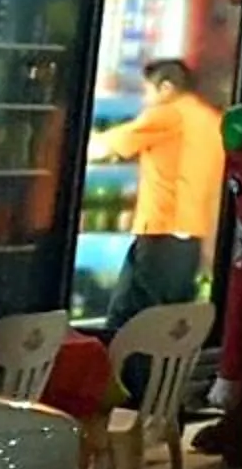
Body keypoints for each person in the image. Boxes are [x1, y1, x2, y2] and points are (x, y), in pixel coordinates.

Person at [94, 59, 225, 331]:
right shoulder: (212, 120)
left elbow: (110, 145)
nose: (145, 100)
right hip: (191, 235)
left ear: (166, 87)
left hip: (162, 229)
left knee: (134, 320)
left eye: (147, 91)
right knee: (168, 322)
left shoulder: (169, 114)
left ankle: (127, 374)